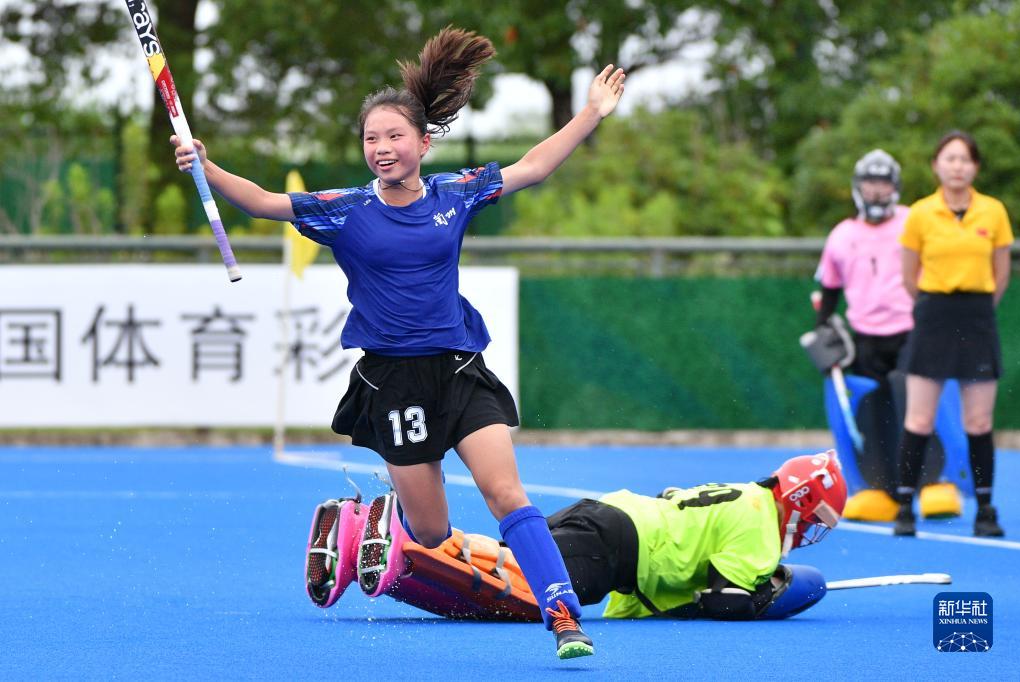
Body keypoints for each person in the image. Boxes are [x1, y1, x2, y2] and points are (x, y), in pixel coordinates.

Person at [173, 28, 626, 658]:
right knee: (434, 530)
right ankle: (368, 523)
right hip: (395, 384)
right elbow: (262, 203)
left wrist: (590, 114)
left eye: (393, 137)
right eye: (371, 139)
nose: (382, 149)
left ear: (422, 141)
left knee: (506, 494)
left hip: (461, 370)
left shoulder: (455, 193)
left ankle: (562, 613)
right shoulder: (344, 209)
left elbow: (536, 165)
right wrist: (207, 165)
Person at [306, 450, 847, 622]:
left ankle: (362, 541)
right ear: (799, 505)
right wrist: (769, 593)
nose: (809, 532)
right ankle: (403, 552)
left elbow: (658, 594)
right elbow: (723, 601)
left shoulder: (745, 495)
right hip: (620, 545)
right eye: (816, 521)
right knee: (521, 598)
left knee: (512, 566)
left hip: (610, 518)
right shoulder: (763, 528)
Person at [813, 150, 964, 522]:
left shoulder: (914, 221)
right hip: (863, 337)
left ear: (894, 187)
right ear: (858, 187)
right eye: (870, 183)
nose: (877, 191)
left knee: (917, 400)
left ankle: (934, 483)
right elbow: (829, 287)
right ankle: (879, 489)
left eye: (883, 183)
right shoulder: (842, 234)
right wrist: (823, 326)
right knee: (871, 407)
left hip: (912, 329)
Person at [895, 130, 1013, 537]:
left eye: (965, 159)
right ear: (936, 165)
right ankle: (904, 506)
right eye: (950, 159)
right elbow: (909, 275)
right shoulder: (921, 213)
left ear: (975, 166)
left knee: (979, 421)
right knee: (919, 418)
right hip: (933, 315)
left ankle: (984, 509)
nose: (957, 166)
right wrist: (933, 305)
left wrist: (976, 307)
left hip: (978, 316)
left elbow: (1001, 273)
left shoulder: (994, 211)